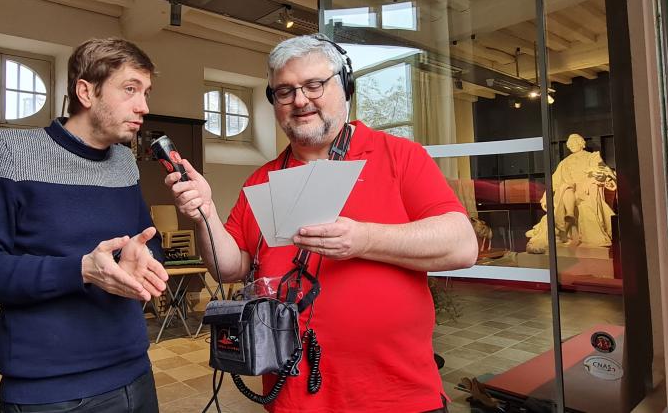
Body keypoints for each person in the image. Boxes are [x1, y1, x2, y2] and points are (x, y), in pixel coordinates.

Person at [165, 34, 477, 412]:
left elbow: (462, 245)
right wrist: (206, 213)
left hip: (399, 396)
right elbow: (230, 267)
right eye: (284, 91)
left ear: (345, 86)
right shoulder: (261, 180)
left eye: (314, 84)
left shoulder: (399, 156)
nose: (299, 100)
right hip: (293, 399)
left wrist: (363, 239)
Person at [0, 38, 169, 413]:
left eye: (145, 92)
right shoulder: (9, 153)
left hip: (136, 374)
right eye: (130, 89)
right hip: (49, 393)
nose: (143, 106)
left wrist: (142, 258)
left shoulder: (125, 164)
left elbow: (148, 245)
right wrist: (80, 270)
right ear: (86, 91)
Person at [526, 133, 616, 253]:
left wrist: (590, 181)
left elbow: (603, 171)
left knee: (569, 191)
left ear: (581, 143)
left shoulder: (592, 157)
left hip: (586, 190)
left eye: (574, 142)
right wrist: (545, 196)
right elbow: (554, 180)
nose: (571, 145)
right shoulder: (564, 162)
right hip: (568, 190)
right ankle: (569, 215)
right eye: (570, 144)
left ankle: (567, 222)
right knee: (565, 188)